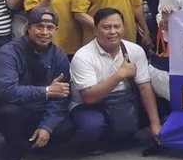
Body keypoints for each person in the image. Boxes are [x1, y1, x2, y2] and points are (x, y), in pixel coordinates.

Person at [0, 6, 75, 160]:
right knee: (9, 113)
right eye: (39, 27)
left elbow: (61, 95)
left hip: (41, 110)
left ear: (56, 30)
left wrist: (47, 127)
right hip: (16, 109)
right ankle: (15, 154)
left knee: (68, 127)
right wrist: (45, 91)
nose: (44, 32)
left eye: (50, 28)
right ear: (28, 27)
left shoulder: (59, 55)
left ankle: (39, 140)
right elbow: (7, 91)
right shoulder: (8, 52)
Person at [69, 8, 162, 150]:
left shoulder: (135, 50)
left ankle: (124, 133)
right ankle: (91, 144)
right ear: (95, 30)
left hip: (123, 101)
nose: (113, 32)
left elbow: (144, 87)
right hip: (89, 105)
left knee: (161, 105)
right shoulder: (83, 56)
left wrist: (155, 124)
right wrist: (120, 75)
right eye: (106, 28)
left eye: (117, 27)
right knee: (92, 126)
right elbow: (88, 97)